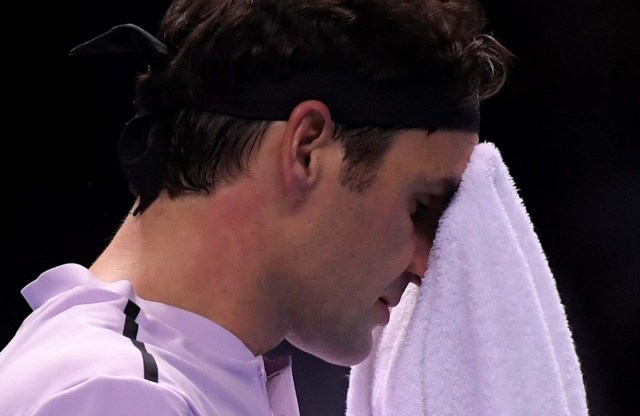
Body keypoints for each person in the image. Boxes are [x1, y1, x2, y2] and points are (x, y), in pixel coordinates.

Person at [0, 0, 511, 414]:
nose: (426, 264)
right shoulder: (118, 395)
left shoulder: (160, 378)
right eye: (420, 207)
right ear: (307, 149)